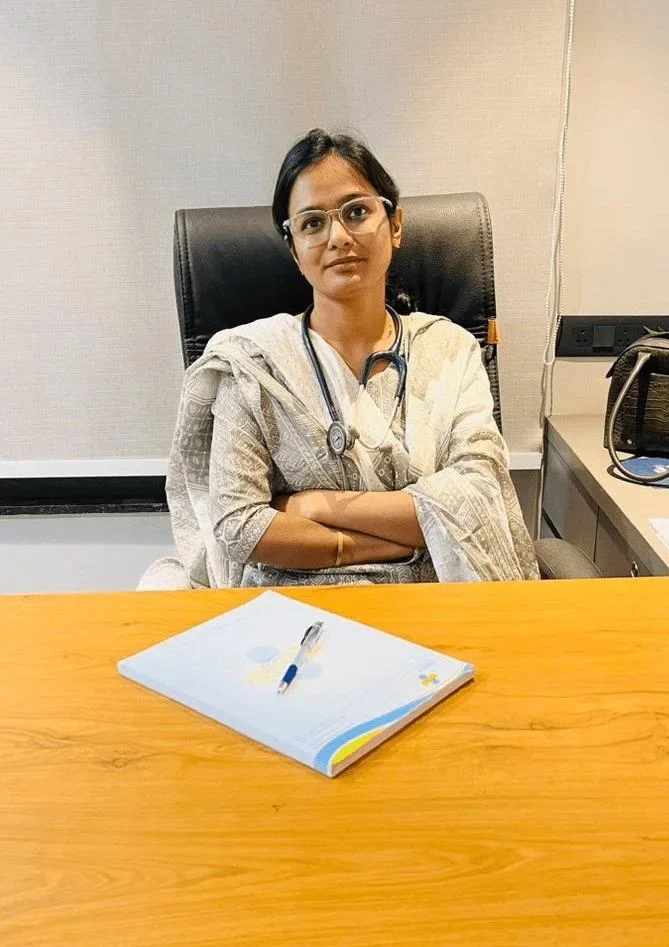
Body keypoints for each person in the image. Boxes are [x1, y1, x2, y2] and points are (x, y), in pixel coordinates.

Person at [139, 128, 539, 590]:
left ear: (395, 224)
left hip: (429, 602)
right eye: (312, 223)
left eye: (357, 212)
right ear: (293, 249)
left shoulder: (449, 350)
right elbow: (239, 526)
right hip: (290, 604)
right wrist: (396, 540)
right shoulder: (253, 363)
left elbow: (478, 499)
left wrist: (314, 506)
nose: (338, 237)